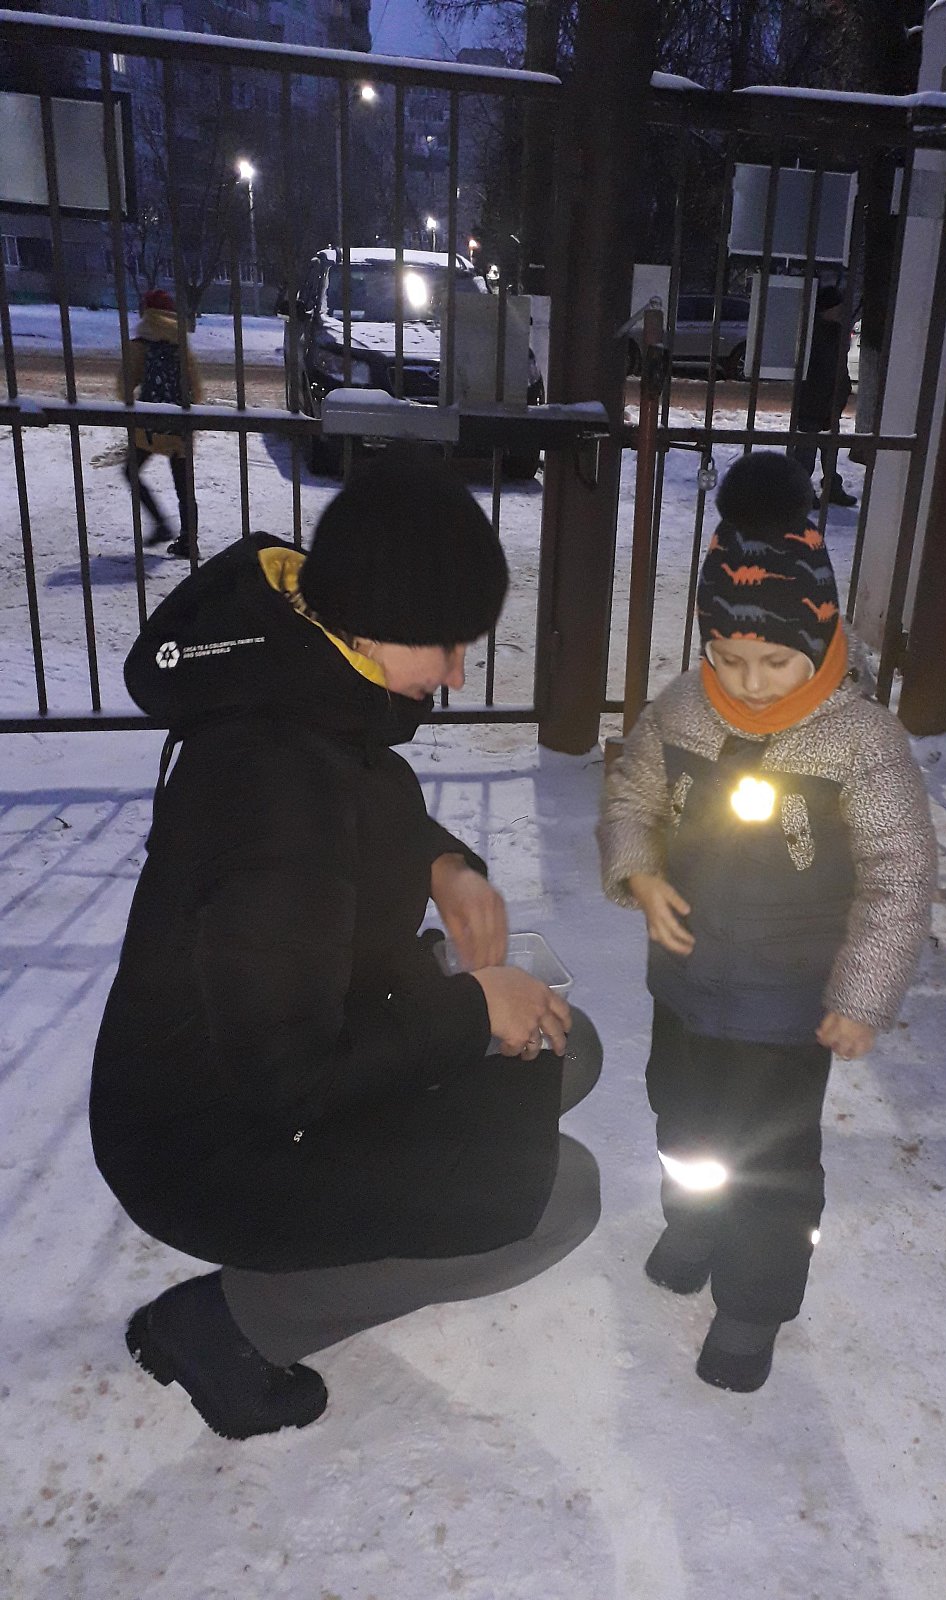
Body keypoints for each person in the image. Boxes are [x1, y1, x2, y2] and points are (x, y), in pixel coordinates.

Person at [91, 447, 602, 1440]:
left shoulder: (306, 676)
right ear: (373, 622)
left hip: (301, 1040)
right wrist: (472, 1009)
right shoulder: (274, 786)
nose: (457, 673)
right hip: (210, 1137)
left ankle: (360, 1206)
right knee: (556, 1198)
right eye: (447, 646)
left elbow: (362, 803)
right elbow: (290, 1074)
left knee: (563, 1050)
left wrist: (443, 865)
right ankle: (228, 1326)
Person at [598, 450, 936, 1393]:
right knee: (683, 1123)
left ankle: (753, 1303)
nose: (747, 681)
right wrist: (640, 870)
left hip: (788, 1009)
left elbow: (901, 875)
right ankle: (693, 1223)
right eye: (727, 656)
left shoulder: (860, 742)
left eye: (774, 660)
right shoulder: (684, 710)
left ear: (821, 638)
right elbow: (631, 795)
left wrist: (861, 996)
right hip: (686, 987)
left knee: (773, 1162)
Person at [116, 287, 202, 558]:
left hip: (149, 426)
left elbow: (122, 389)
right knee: (184, 488)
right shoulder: (181, 343)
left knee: (130, 471)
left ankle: (161, 523)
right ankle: (189, 542)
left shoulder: (140, 343)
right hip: (179, 425)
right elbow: (198, 391)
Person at [794, 283, 857, 507]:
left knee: (829, 449)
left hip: (830, 399)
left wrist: (843, 390)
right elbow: (816, 368)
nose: (840, 311)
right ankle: (803, 491)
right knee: (807, 450)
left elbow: (839, 367)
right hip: (813, 399)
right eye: (836, 307)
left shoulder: (836, 331)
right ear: (826, 308)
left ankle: (832, 488)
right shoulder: (813, 333)